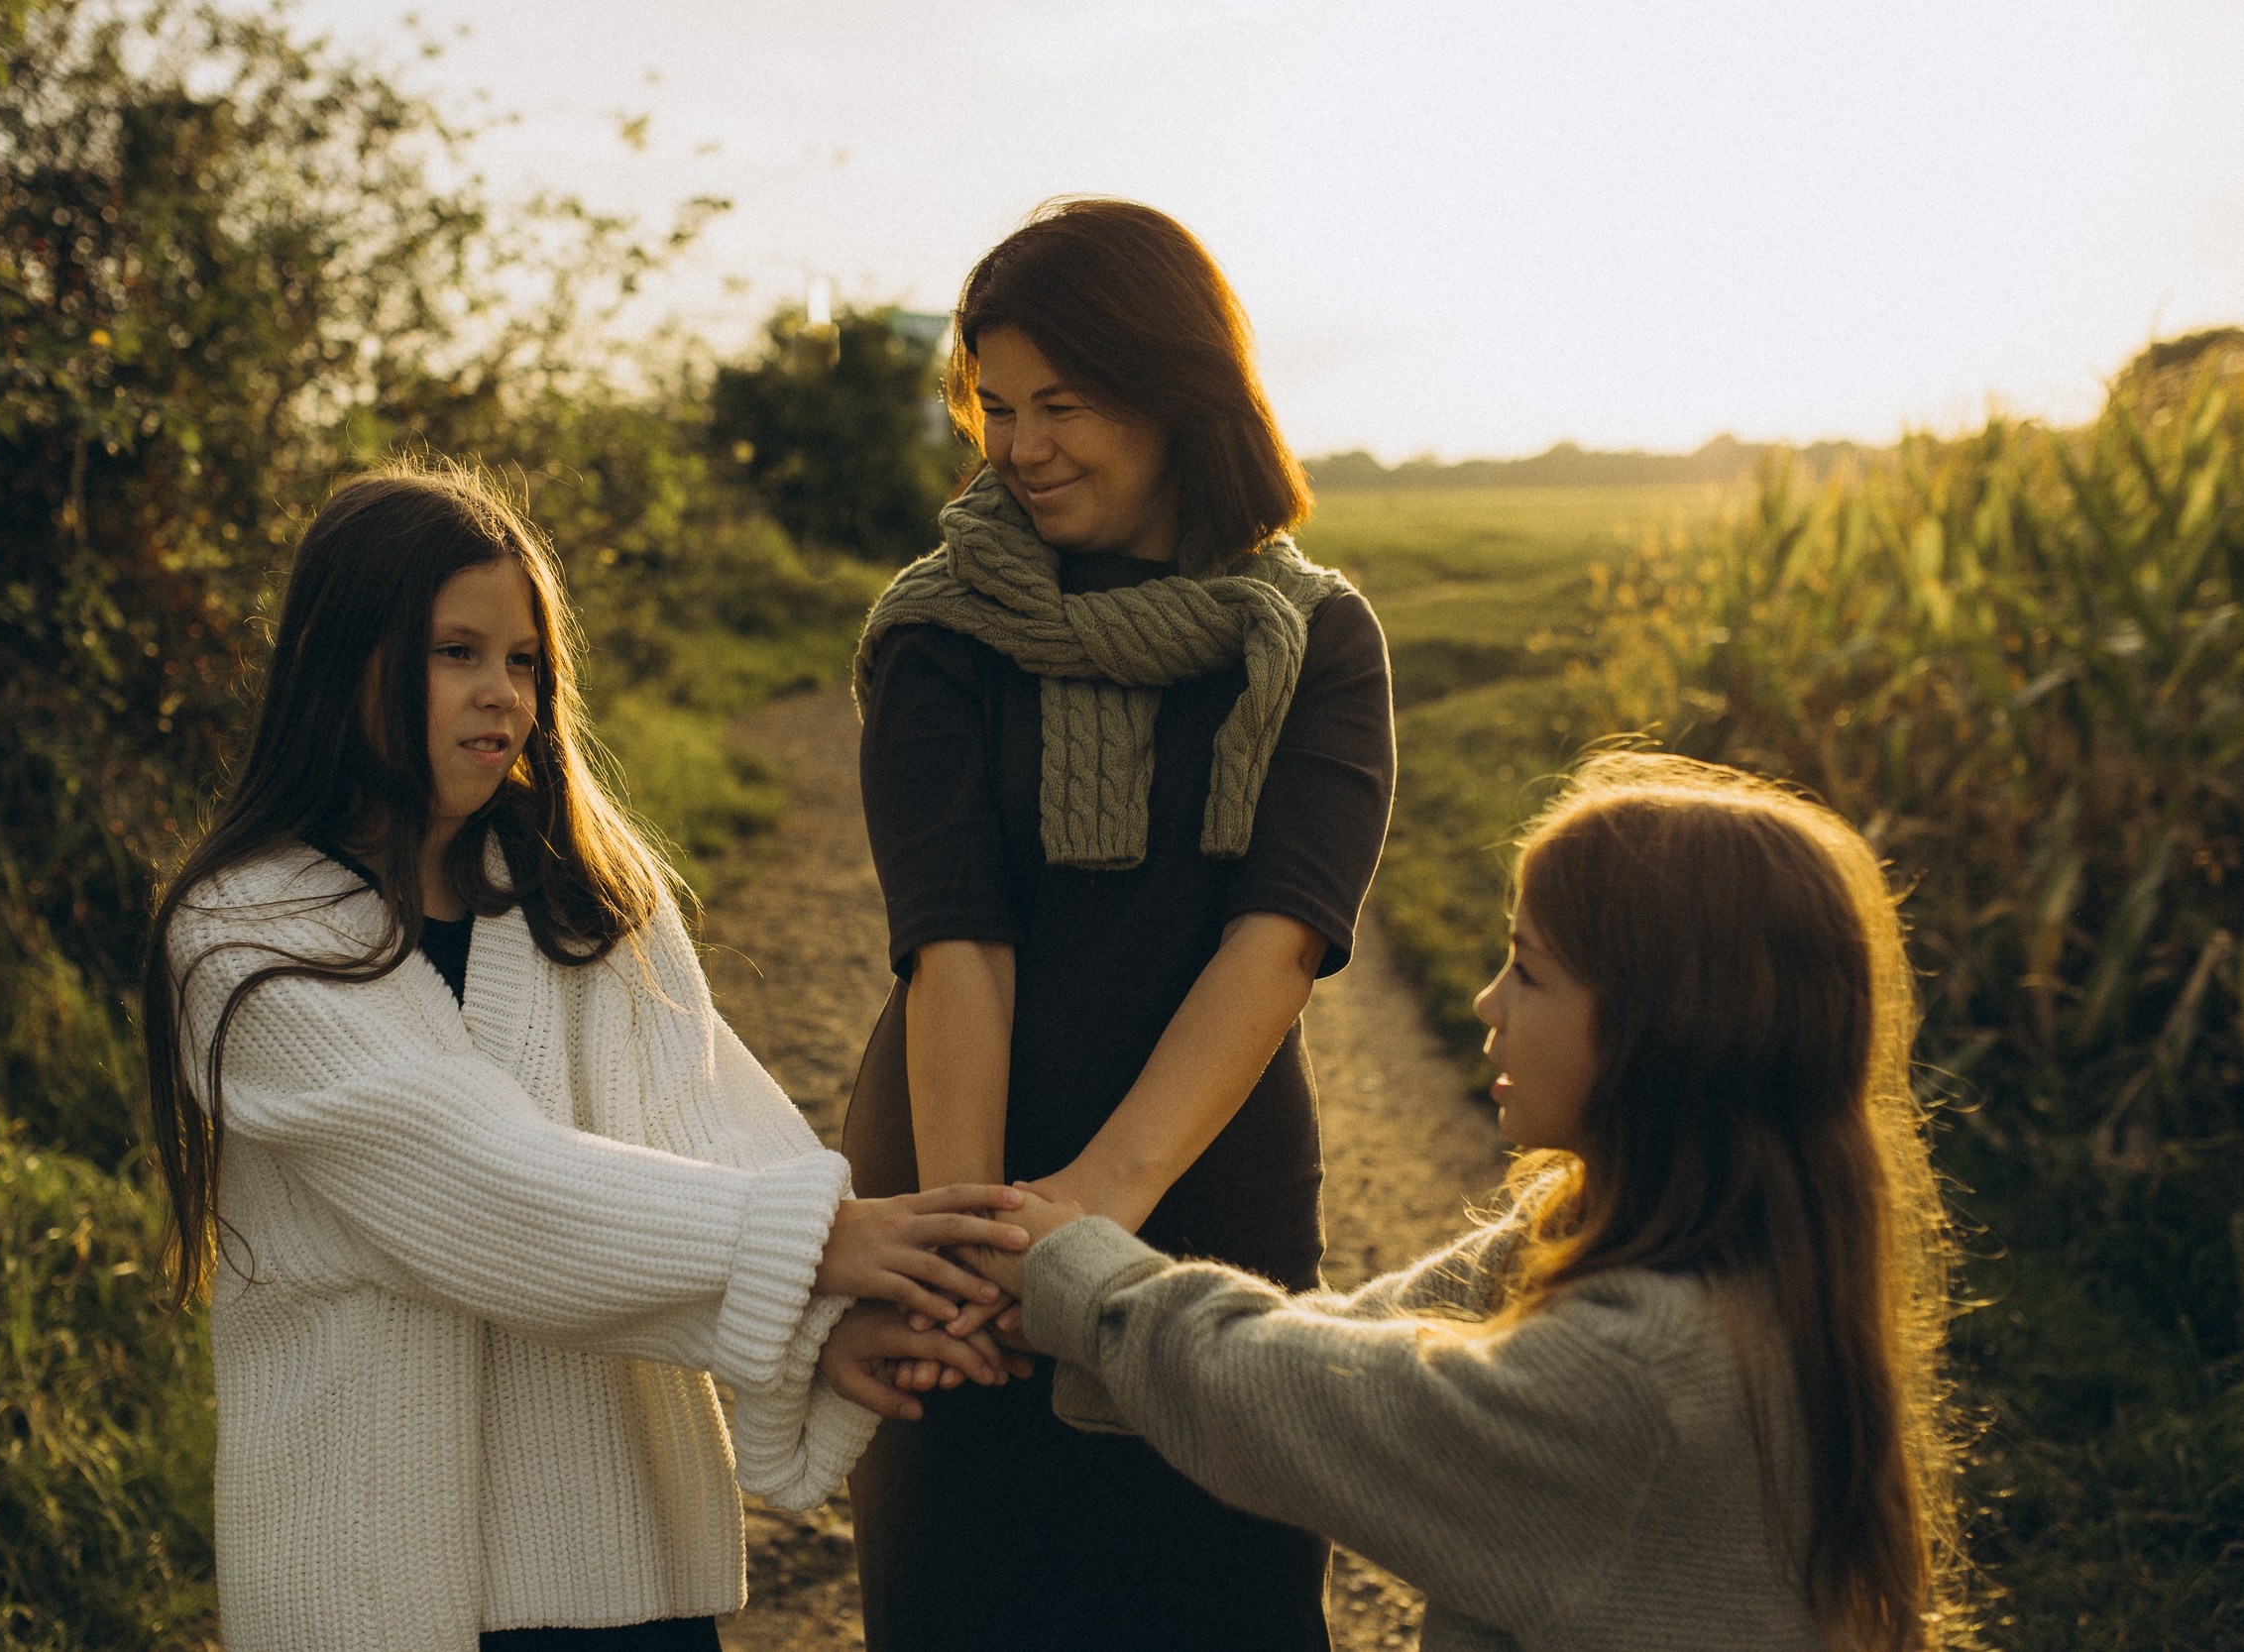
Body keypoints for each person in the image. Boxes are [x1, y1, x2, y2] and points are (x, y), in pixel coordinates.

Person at [140, 461, 1032, 1652]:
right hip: (366, 1569)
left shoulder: (586, 895)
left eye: (522, 660)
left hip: (618, 1557)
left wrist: (832, 1319)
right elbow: (485, 1187)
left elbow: (703, 1122)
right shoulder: (241, 937)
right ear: (336, 656)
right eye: (454, 651)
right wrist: (825, 1241)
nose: (499, 693)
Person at [977, 753, 1972, 1652]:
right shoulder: (1666, 1235)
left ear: (1663, 1037)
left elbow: (1326, 1403)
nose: (1486, 1000)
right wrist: (1055, 1304)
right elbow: (1340, 1339)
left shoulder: (1640, 1374)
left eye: (1528, 970)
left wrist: (1082, 1278)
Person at [842, 198, 1397, 1649]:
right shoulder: (937, 633)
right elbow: (955, 936)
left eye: (1063, 405)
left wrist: (1102, 1201)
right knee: (970, 1593)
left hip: (1209, 1191)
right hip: (960, 1161)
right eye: (998, 406)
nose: (1020, 447)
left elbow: (1277, 939)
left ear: (1174, 389)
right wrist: (973, 1243)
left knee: (1220, 1589)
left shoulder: (1316, 637)